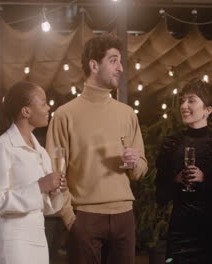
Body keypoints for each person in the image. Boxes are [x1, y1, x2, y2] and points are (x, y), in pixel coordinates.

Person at [46, 34, 148, 264]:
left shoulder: (127, 113)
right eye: (113, 60)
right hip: (84, 218)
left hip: (124, 217)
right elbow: (54, 173)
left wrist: (135, 163)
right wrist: (70, 219)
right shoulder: (65, 115)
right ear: (94, 65)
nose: (121, 68)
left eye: (121, 61)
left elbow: (141, 168)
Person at [0, 81, 68, 264]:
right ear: (26, 111)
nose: (48, 108)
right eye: (43, 103)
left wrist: (56, 192)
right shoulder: (1, 146)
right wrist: (39, 186)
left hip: (38, 237)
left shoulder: (41, 152)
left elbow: (46, 207)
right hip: (13, 240)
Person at [155, 79, 212, 264]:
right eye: (183, 100)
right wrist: (175, 179)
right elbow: (160, 195)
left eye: (191, 100)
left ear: (208, 110)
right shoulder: (171, 143)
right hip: (180, 231)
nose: (184, 106)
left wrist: (205, 178)